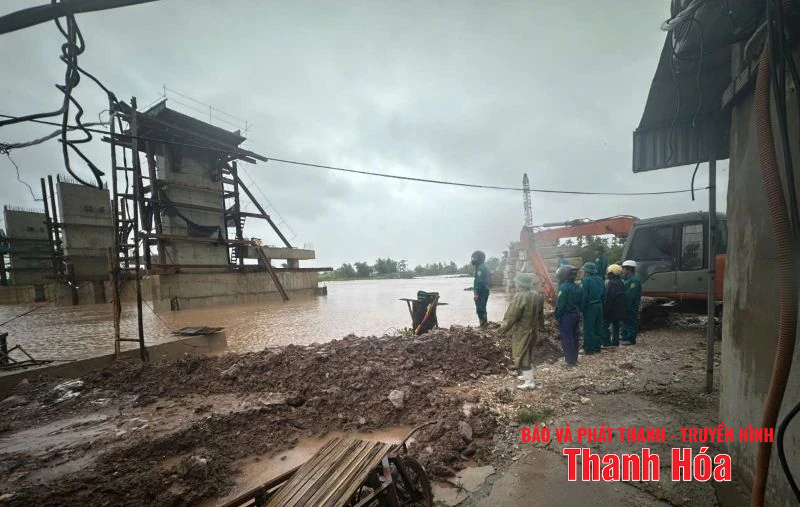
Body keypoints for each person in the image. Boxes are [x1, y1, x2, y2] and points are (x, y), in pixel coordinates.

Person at [498, 273, 544, 390]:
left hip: (522, 331)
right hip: (533, 330)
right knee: (528, 352)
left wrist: (501, 330)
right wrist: (542, 327)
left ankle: (529, 382)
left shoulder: (520, 297)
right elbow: (540, 315)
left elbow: (511, 316)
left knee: (522, 354)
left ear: (520, 285)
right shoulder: (537, 296)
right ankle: (526, 376)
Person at [555, 264, 582, 366]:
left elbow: (560, 304)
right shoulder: (577, 287)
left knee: (567, 338)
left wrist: (557, 315)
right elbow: (580, 302)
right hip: (576, 314)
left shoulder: (564, 287)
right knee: (575, 337)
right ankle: (574, 358)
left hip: (566, 316)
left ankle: (570, 361)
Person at [580, 262, 604, 355]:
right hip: (599, 305)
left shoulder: (585, 280)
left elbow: (584, 296)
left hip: (590, 306)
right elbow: (603, 294)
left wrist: (582, 308)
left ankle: (589, 349)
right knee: (598, 327)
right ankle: (597, 348)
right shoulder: (600, 279)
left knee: (588, 328)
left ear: (586, 271)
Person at [603, 264, 626, 347]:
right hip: (619, 309)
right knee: (616, 326)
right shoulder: (621, 283)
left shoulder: (611, 283)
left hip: (611, 309)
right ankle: (615, 342)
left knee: (604, 326)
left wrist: (605, 310)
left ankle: (606, 342)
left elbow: (609, 298)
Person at [620, 260, 641, 345]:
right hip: (626, 305)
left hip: (631, 305)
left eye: (624, 269)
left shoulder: (634, 281)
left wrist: (626, 305)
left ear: (629, 270)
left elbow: (630, 295)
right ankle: (625, 336)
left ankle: (631, 339)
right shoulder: (627, 279)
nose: (623, 271)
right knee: (625, 321)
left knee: (631, 321)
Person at [471, 250, 491, 327]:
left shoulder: (480, 268)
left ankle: (483, 325)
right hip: (486, 290)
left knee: (480, 309)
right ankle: (485, 324)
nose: (473, 260)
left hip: (481, 292)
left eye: (474, 258)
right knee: (483, 307)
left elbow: (479, 282)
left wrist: (476, 294)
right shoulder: (485, 266)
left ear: (479, 258)